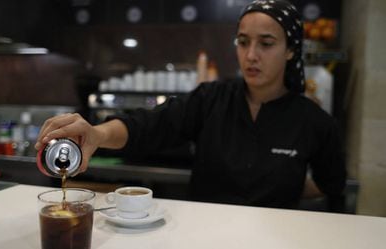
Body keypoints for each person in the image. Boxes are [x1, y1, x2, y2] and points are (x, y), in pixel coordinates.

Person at [35, 0, 346, 212]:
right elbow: (149, 125)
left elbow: (330, 183)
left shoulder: (314, 122)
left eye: (266, 44)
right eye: (242, 41)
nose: (251, 55)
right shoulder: (211, 99)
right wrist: (98, 135)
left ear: (291, 50)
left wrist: (287, 188)